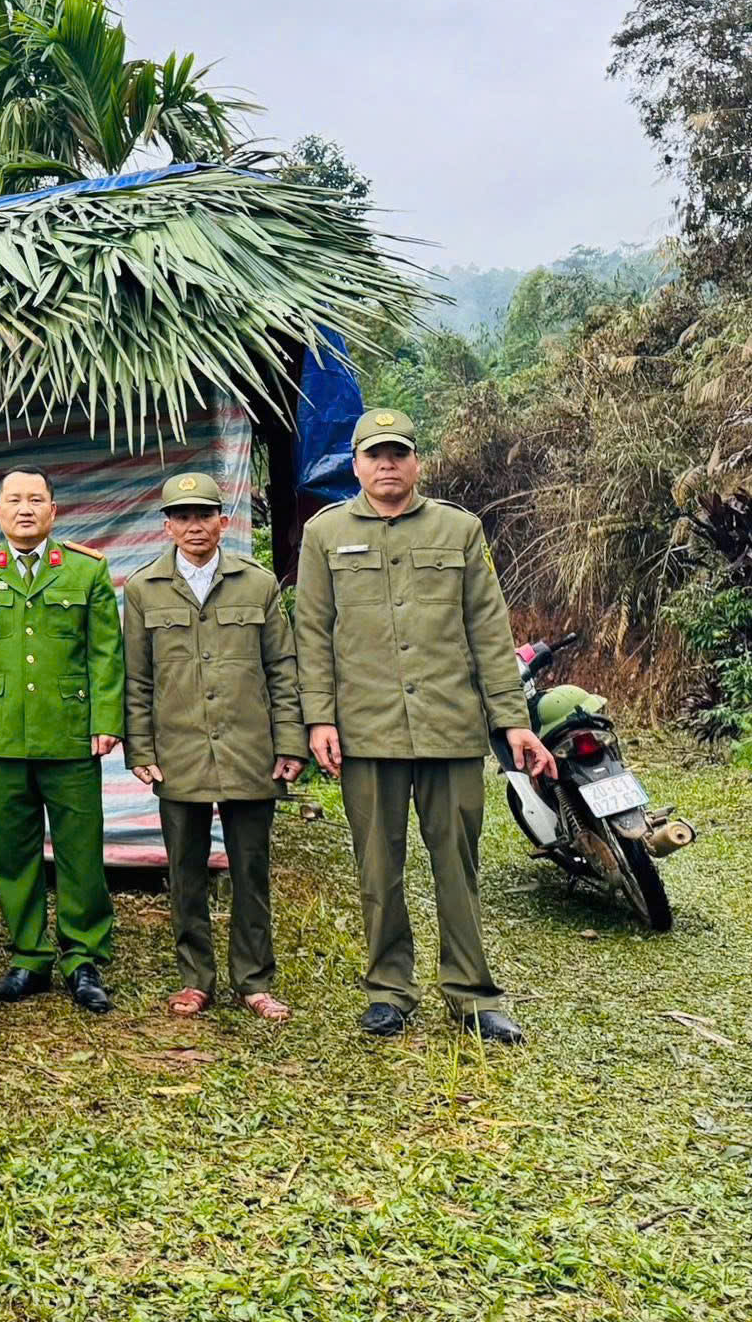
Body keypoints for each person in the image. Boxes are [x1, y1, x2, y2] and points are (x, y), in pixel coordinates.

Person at [296, 408, 557, 1046]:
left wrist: (513, 723)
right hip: (367, 729)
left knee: (457, 864)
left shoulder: (459, 530)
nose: (388, 465)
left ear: (417, 462)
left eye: (400, 454)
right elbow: (310, 634)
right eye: (375, 454)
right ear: (356, 464)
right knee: (377, 868)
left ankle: (471, 994)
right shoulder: (324, 534)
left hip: (450, 727)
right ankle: (390, 989)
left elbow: (490, 632)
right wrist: (320, 717)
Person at [121, 471, 307, 1024]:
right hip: (178, 752)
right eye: (182, 517)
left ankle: (253, 980)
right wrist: (140, 748)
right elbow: (136, 679)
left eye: (204, 515)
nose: (194, 526)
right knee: (185, 868)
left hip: (250, 749)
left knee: (251, 868)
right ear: (168, 526)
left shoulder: (257, 584)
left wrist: (290, 741)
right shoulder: (142, 589)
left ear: (223, 522)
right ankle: (194, 979)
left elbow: (282, 668)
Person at [0, 466, 122, 1013]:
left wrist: (106, 720)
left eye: (36, 500)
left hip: (70, 733)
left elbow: (104, 652)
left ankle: (83, 956)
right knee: (11, 852)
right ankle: (29, 955)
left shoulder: (85, 569)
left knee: (80, 851)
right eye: (14, 501)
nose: (25, 509)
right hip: (1, 734)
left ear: (54, 510)